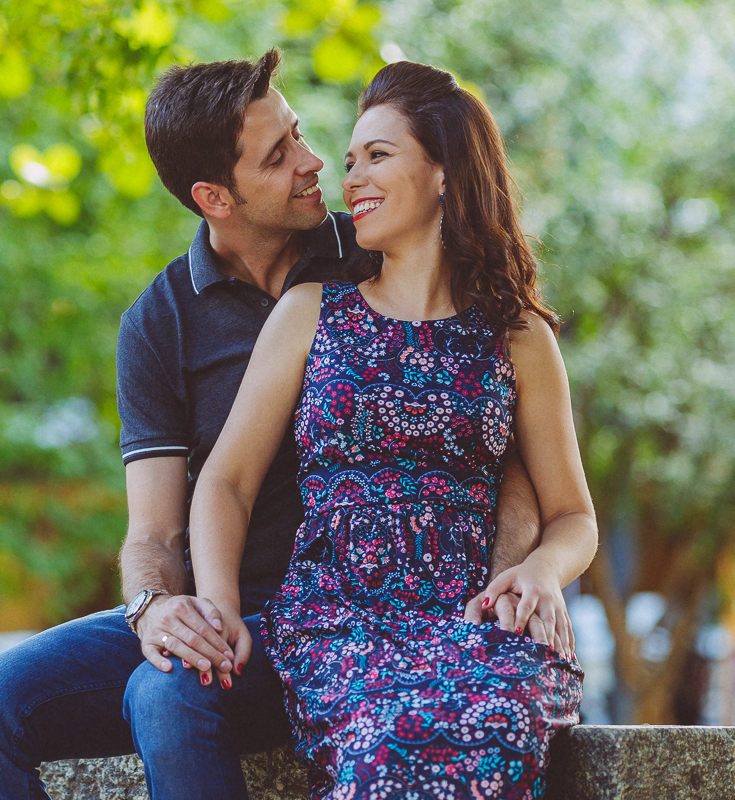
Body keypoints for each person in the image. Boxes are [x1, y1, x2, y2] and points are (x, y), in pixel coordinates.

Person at [0, 51, 557, 800]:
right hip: (224, 602)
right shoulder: (160, 323)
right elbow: (155, 533)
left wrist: (516, 571)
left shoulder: (373, 242)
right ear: (215, 197)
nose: (316, 162)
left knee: (164, 696)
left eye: (297, 133)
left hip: (372, 607)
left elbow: (499, 430)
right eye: (280, 154)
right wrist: (158, 610)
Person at [189, 61, 595, 800]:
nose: (352, 178)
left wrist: (540, 572)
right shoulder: (312, 311)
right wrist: (218, 608)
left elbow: (574, 515)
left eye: (378, 155)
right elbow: (226, 480)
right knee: (391, 739)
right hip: (336, 622)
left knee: (494, 725)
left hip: (470, 620)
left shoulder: (520, 336)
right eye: (349, 161)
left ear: (445, 172)